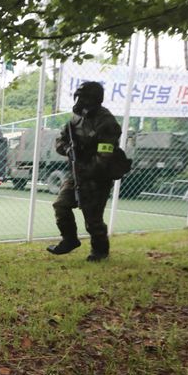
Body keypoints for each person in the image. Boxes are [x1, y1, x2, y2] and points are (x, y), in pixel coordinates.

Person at [47, 81, 122, 262]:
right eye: (78, 96)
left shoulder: (107, 122)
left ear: (94, 100)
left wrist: (89, 172)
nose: (79, 101)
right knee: (61, 205)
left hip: (99, 176)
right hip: (77, 172)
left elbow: (105, 154)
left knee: (93, 218)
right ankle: (70, 240)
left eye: (84, 98)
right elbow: (61, 140)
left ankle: (100, 251)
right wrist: (67, 149)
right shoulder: (76, 119)